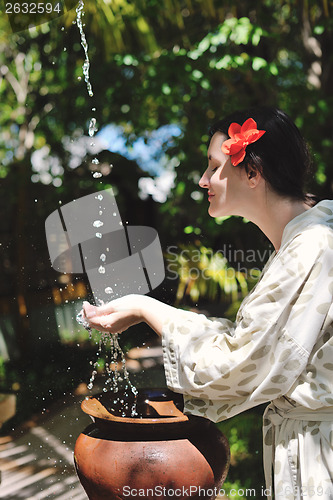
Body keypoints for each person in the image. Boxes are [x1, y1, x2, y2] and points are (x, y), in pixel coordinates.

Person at [83, 107, 333, 500]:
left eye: (215, 166)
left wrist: (148, 310)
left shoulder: (314, 246)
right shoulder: (310, 239)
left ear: (253, 172)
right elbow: (253, 342)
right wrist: (145, 306)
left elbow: (238, 363)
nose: (203, 180)